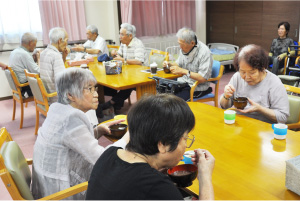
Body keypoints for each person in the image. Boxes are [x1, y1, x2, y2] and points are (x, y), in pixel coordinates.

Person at [86, 94, 215, 200]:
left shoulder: (110, 153)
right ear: (163, 144)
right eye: (185, 138)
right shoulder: (158, 187)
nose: (186, 145)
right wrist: (205, 176)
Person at [31, 67, 129, 200]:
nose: (96, 94)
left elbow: (73, 141)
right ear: (70, 95)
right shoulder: (70, 118)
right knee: (122, 180)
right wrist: (129, 136)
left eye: (95, 88)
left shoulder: (58, 110)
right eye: (89, 89)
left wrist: (98, 130)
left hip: (46, 184)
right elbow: (102, 158)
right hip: (61, 192)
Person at [220, 44, 289, 124]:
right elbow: (224, 106)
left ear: (262, 68)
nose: (246, 77)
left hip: (263, 129)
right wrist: (226, 96)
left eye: (252, 72)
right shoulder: (237, 77)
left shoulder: (274, 83)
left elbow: (283, 117)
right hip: (239, 124)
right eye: (242, 72)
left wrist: (259, 109)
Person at [100, 23, 145, 114]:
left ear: (130, 36)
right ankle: (116, 103)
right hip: (127, 72)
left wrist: (123, 60)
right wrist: (115, 53)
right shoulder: (123, 44)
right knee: (110, 80)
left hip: (139, 74)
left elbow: (139, 61)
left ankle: (113, 102)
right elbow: (119, 55)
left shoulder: (138, 44)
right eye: (119, 34)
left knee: (127, 85)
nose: (120, 37)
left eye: (122, 34)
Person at [163, 27, 213, 101]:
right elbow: (178, 64)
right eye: (179, 44)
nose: (180, 47)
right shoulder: (184, 49)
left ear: (192, 43)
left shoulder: (205, 52)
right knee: (163, 88)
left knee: (176, 101)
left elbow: (203, 78)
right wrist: (169, 64)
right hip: (183, 81)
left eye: (182, 45)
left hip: (197, 86)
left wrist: (184, 71)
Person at [39, 27, 69, 104]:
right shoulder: (55, 55)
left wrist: (64, 57)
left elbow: (55, 69)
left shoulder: (43, 53)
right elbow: (61, 81)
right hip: (56, 97)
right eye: (66, 40)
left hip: (47, 94)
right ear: (59, 41)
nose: (67, 44)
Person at [9, 32, 40, 97]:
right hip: (26, 88)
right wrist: (39, 59)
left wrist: (34, 59)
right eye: (35, 43)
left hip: (19, 86)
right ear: (31, 43)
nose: (35, 46)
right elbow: (38, 71)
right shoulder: (25, 54)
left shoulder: (14, 51)